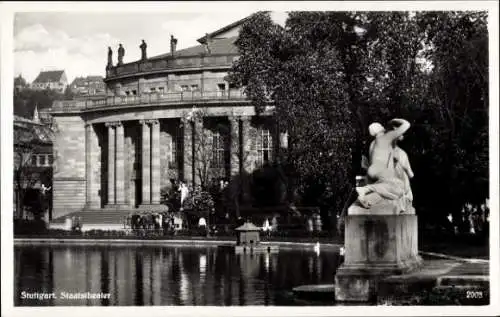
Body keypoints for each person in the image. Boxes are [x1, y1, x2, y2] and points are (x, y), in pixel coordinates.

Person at [355, 119, 411, 209]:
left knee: (386, 190)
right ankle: (364, 189)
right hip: (380, 170)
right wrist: (395, 120)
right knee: (400, 187)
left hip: (372, 171)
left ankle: (368, 198)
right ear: (380, 128)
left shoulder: (372, 143)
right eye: (381, 126)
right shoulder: (387, 137)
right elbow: (407, 124)